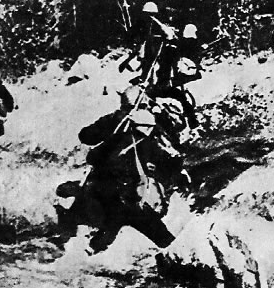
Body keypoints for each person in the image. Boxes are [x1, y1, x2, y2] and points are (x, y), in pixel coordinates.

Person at [57, 86, 184, 254]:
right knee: (131, 218)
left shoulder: (114, 120)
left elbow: (86, 137)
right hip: (131, 190)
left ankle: (69, 246)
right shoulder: (151, 126)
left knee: (88, 217)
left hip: (101, 184)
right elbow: (171, 152)